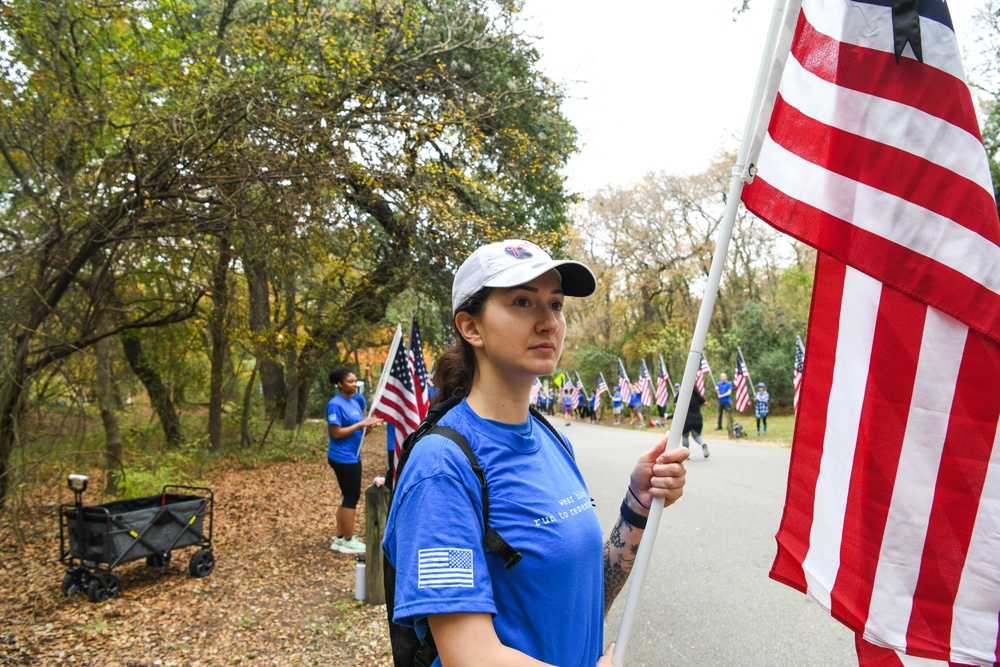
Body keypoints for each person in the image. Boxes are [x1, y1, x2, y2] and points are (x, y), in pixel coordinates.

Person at [382, 239, 688, 667]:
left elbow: (579, 599)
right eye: (523, 302)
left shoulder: (551, 437)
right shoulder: (442, 467)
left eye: (557, 304)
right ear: (471, 328)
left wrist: (637, 506)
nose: (548, 322)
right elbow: (470, 658)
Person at [326, 368, 383, 555]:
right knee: (351, 496)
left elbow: (361, 431)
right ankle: (349, 541)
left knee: (346, 496)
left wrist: (369, 427)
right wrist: (360, 424)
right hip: (343, 457)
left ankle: (340, 538)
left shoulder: (355, 402)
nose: (354, 384)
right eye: (350, 381)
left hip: (353, 454)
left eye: (355, 381)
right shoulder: (335, 405)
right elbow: (336, 433)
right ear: (340, 384)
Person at [678, 382, 710, 459]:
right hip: (698, 418)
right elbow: (705, 403)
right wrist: (698, 406)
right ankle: (703, 444)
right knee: (697, 435)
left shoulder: (682, 395)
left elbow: (676, 404)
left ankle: (686, 454)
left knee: (685, 436)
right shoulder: (697, 395)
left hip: (687, 418)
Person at [715, 371, 733, 437]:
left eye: (724, 377)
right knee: (720, 414)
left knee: (728, 414)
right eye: (722, 377)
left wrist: (721, 395)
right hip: (720, 402)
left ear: (726, 377)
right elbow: (717, 390)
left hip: (727, 402)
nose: (723, 378)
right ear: (720, 378)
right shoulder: (718, 384)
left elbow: (729, 392)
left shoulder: (729, 383)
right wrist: (716, 389)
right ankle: (719, 426)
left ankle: (729, 426)